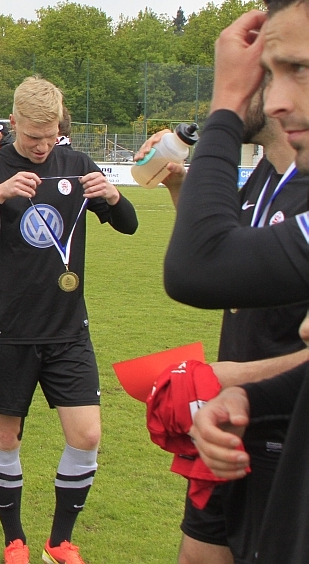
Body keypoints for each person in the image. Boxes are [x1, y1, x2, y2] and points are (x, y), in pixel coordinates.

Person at [162, 0, 309, 563]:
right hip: (249, 428)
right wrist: (251, 397)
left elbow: (198, 266)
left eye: (299, 69)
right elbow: (220, 260)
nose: (276, 99)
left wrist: (224, 105)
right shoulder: (271, 178)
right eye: (271, 72)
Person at [136, 91, 309, 564]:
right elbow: (216, 261)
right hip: (226, 424)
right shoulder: (267, 173)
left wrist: (236, 378)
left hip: (288, 434)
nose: (224, 98)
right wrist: (179, 184)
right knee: (197, 555)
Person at [0, 77, 137, 564]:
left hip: (67, 328)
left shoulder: (76, 165)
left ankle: (60, 542)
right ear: (14, 123)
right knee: (5, 437)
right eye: (32, 137)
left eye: (51, 136)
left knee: (87, 435)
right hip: (7, 327)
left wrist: (113, 197)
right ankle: (15, 540)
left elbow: (128, 225)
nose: (42, 147)